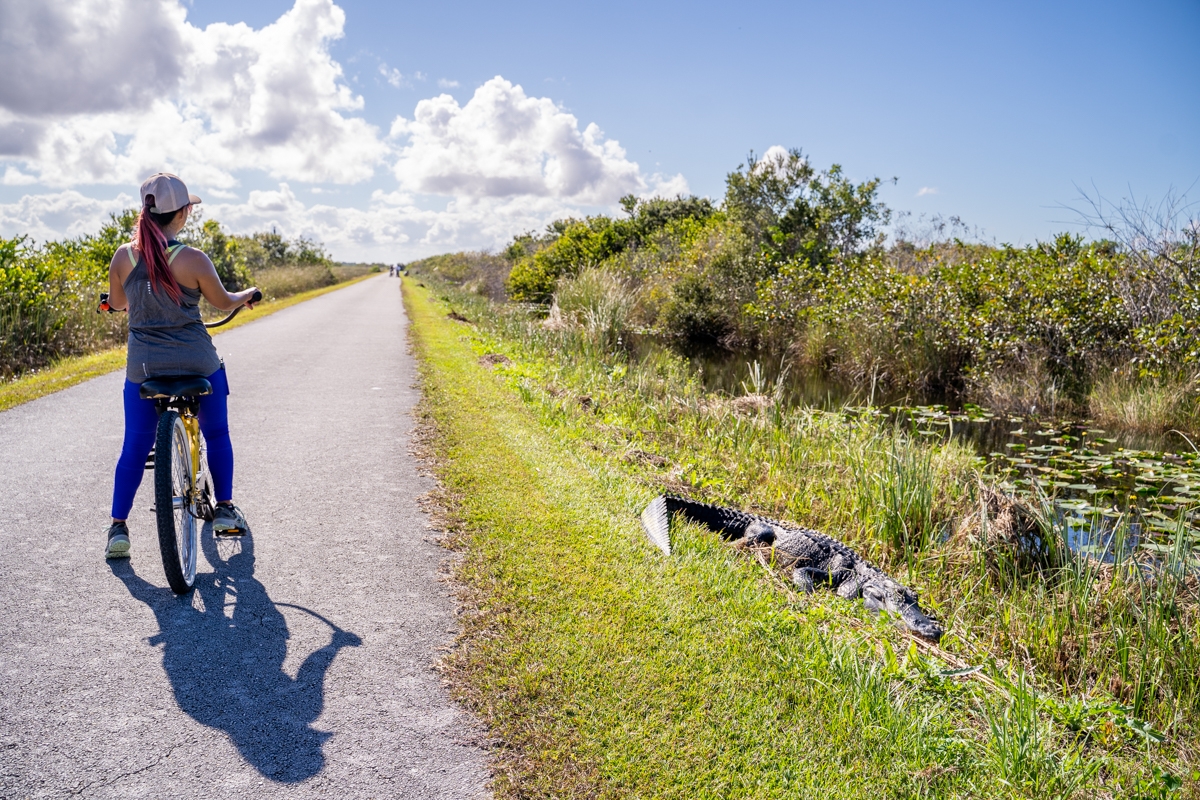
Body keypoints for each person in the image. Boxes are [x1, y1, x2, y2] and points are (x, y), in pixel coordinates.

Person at [103, 173, 259, 559]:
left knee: (135, 446)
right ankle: (224, 510)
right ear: (185, 212)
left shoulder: (124, 256)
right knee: (217, 433)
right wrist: (246, 295)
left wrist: (110, 300)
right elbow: (223, 302)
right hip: (196, 361)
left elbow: (119, 303)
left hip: (144, 366)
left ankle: (118, 530)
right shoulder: (192, 259)